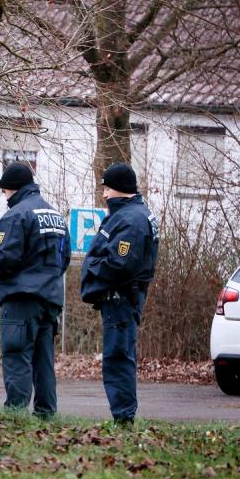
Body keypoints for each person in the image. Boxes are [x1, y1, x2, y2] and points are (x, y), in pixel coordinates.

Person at [81, 163, 159, 425]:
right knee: (119, 356)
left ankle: (123, 418)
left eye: (108, 188)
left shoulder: (131, 220)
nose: (104, 194)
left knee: (118, 358)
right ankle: (123, 416)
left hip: (121, 298)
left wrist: (91, 264)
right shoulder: (131, 214)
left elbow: (118, 263)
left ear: (120, 189)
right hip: (122, 298)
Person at [0, 162, 71, 418]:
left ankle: (15, 414)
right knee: (43, 361)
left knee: (17, 356)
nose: (4, 198)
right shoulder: (56, 216)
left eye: (4, 192)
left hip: (21, 300)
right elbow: (64, 259)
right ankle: (46, 414)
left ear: (11, 189)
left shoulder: (15, 216)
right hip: (50, 300)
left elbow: (1, 259)